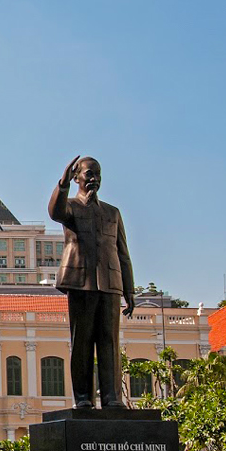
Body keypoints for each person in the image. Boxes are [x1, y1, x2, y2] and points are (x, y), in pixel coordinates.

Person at [48, 156, 135, 408]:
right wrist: (62, 185)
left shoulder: (112, 212)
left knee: (109, 341)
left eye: (98, 174)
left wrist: (129, 290)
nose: (94, 178)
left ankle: (112, 397)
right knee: (82, 341)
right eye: (89, 173)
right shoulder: (70, 207)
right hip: (80, 281)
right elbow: (55, 212)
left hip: (110, 283)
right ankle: (83, 397)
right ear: (77, 177)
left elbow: (123, 253)